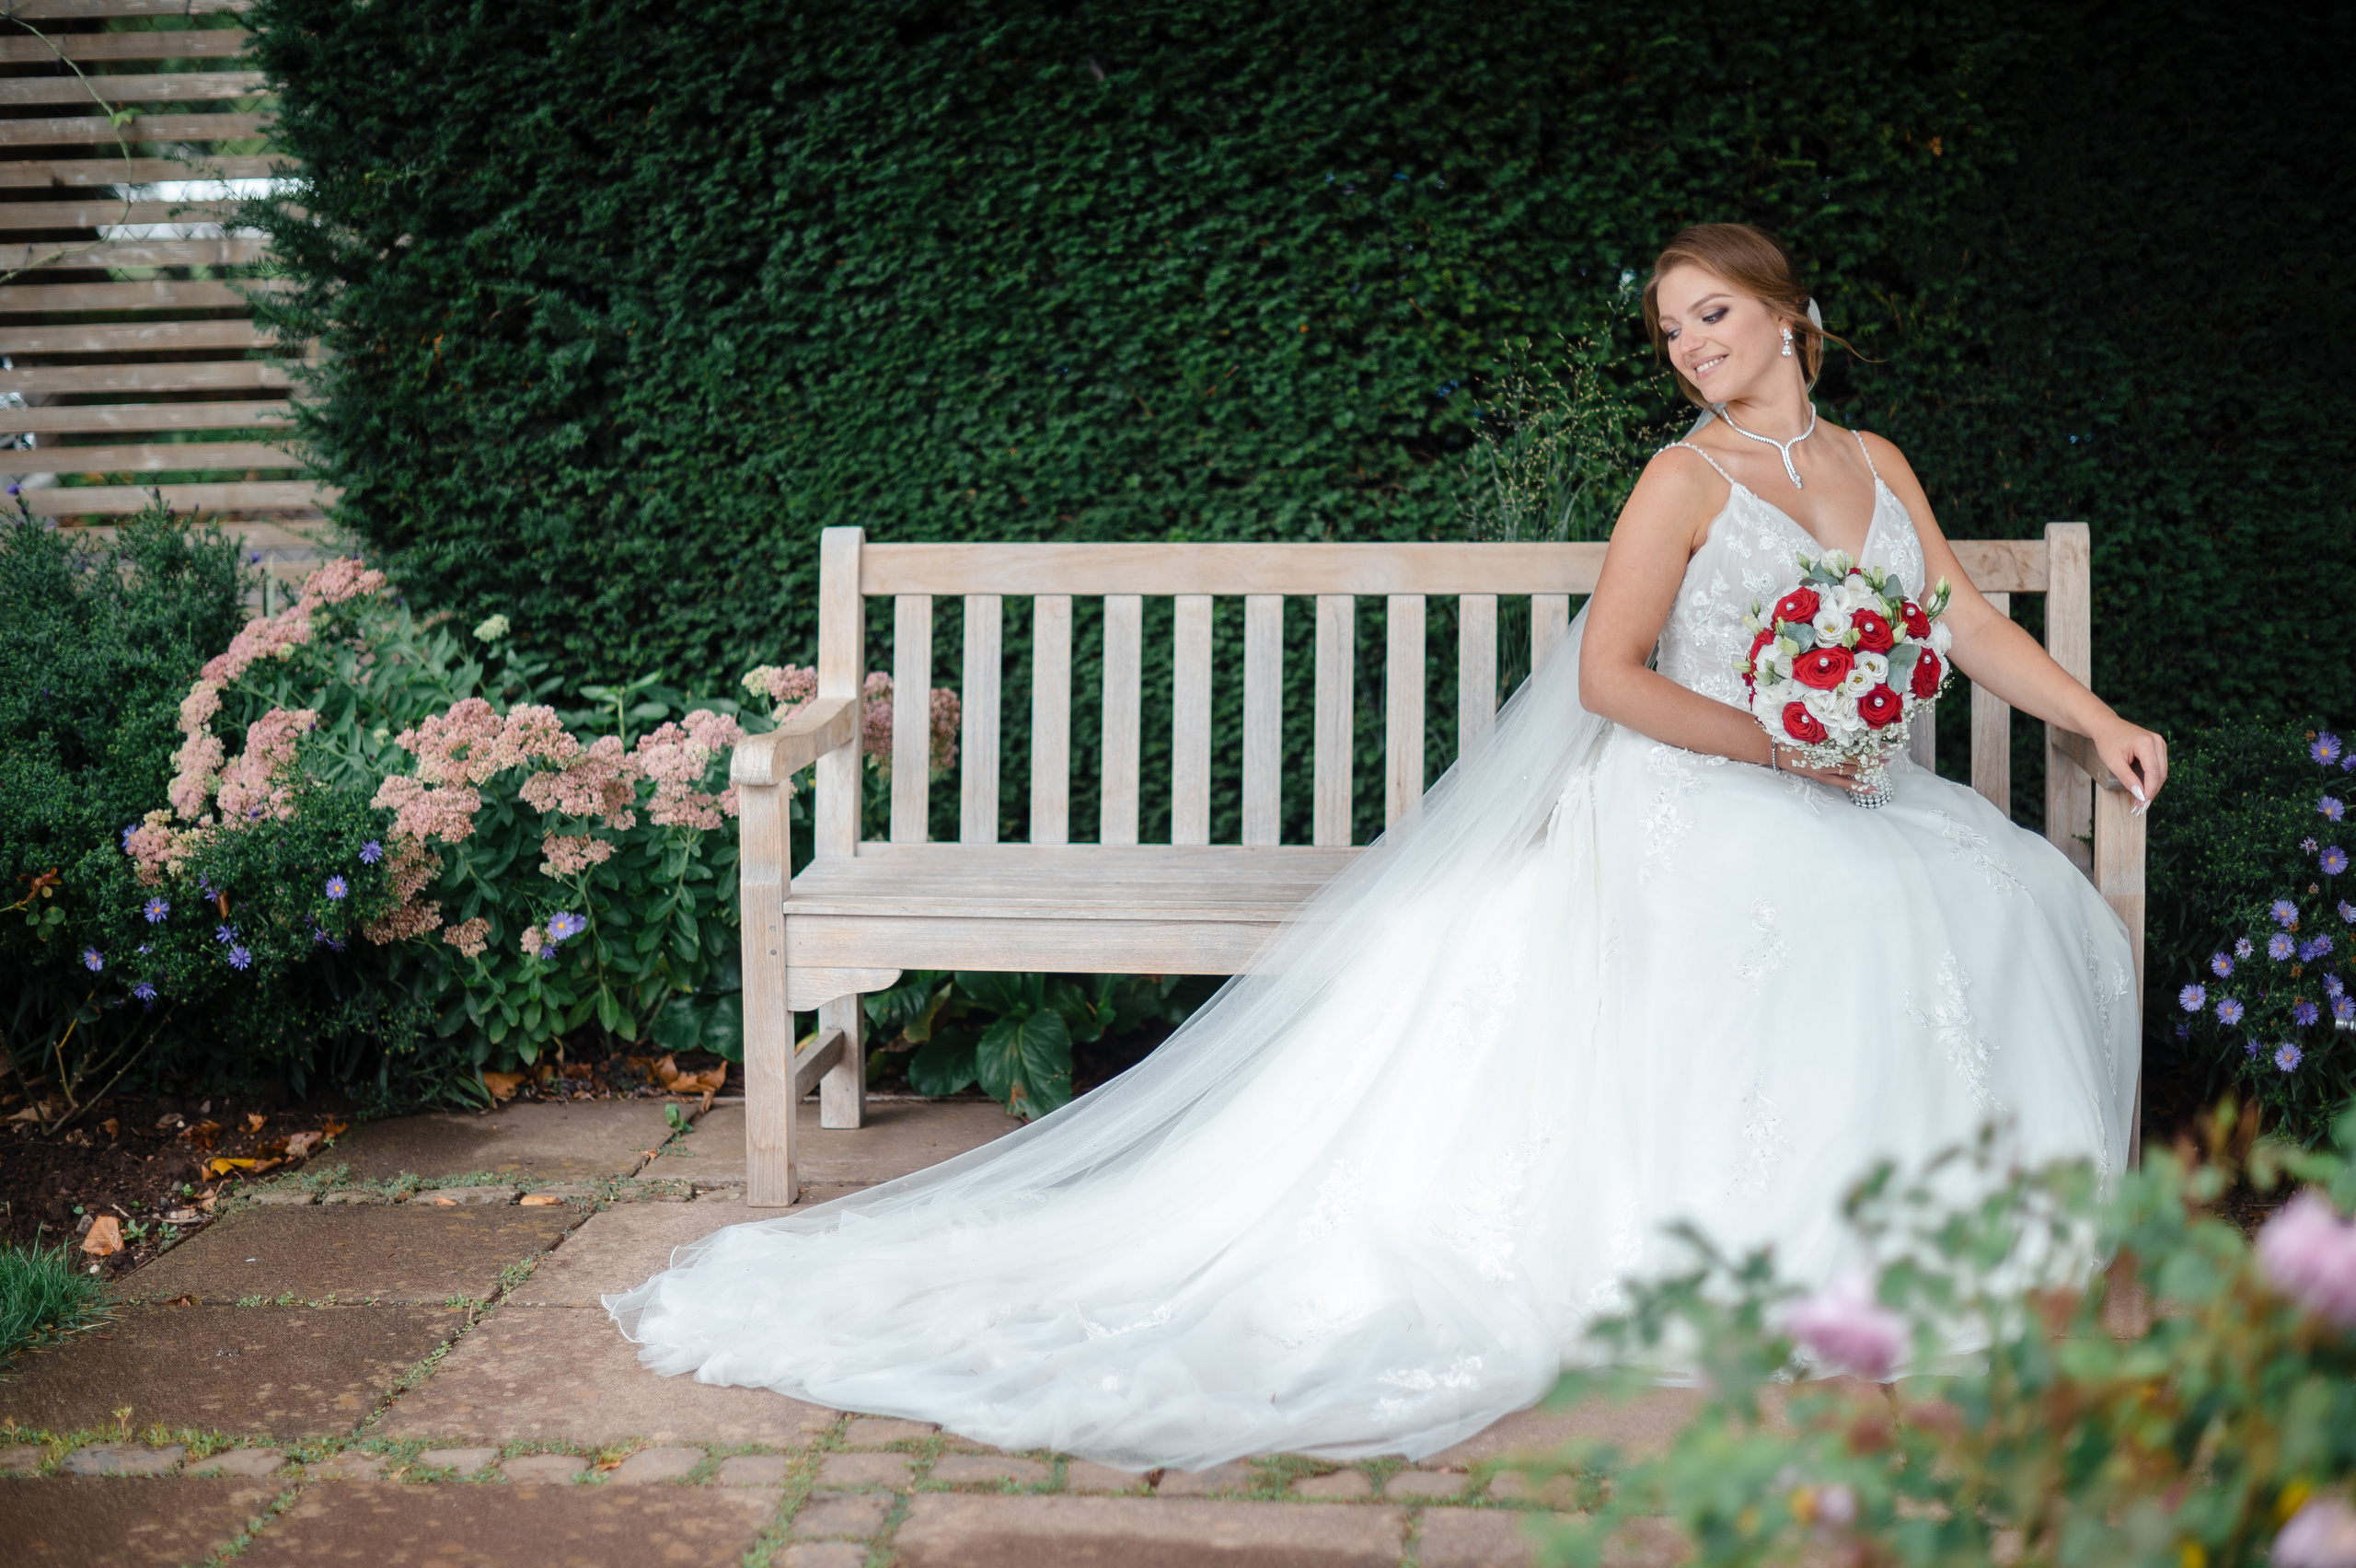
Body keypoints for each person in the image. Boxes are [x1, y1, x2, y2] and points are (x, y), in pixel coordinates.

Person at [607, 223, 2160, 1471]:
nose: (1691, 346)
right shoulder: (1680, 482)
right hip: (1708, 782)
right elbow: (1615, 677)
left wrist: (2094, 717)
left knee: (2002, 889)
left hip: (1838, 779)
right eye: (1672, 329)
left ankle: (1951, 1243)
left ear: (1786, 313)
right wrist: (1784, 742)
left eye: (1713, 316)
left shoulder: (1875, 464)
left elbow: (1953, 616)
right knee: (1845, 899)